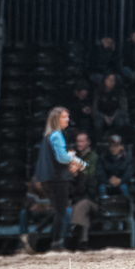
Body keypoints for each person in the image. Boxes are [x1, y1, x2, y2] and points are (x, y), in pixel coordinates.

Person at [31, 107, 81, 251]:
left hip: (49, 178)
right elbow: (62, 158)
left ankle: (38, 234)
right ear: (56, 119)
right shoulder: (56, 135)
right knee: (63, 212)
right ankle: (57, 243)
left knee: (60, 211)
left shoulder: (48, 136)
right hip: (57, 178)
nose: (67, 120)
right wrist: (74, 159)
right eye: (64, 117)